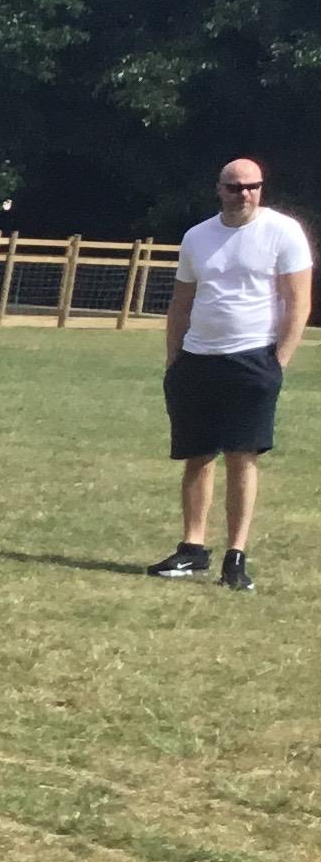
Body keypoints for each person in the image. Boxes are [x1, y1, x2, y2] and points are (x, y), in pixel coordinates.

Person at [149, 157, 310, 594]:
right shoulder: (197, 237)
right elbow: (181, 303)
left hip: (253, 359)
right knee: (197, 455)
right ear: (219, 189)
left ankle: (235, 556)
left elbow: (298, 301)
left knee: (242, 455)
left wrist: (279, 360)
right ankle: (192, 548)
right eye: (235, 187)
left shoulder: (283, 232)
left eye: (253, 186)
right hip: (197, 359)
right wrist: (174, 360)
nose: (245, 194)